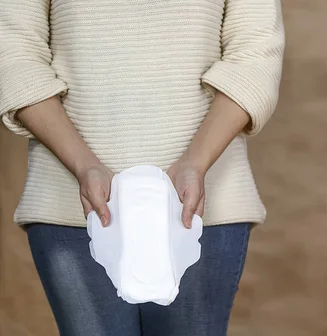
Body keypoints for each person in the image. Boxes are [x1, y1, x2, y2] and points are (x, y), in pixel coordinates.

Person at [0, 0, 284, 335]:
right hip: (72, 207)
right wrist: (83, 165)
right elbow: (13, 54)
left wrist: (196, 162)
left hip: (202, 208)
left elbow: (255, 56)